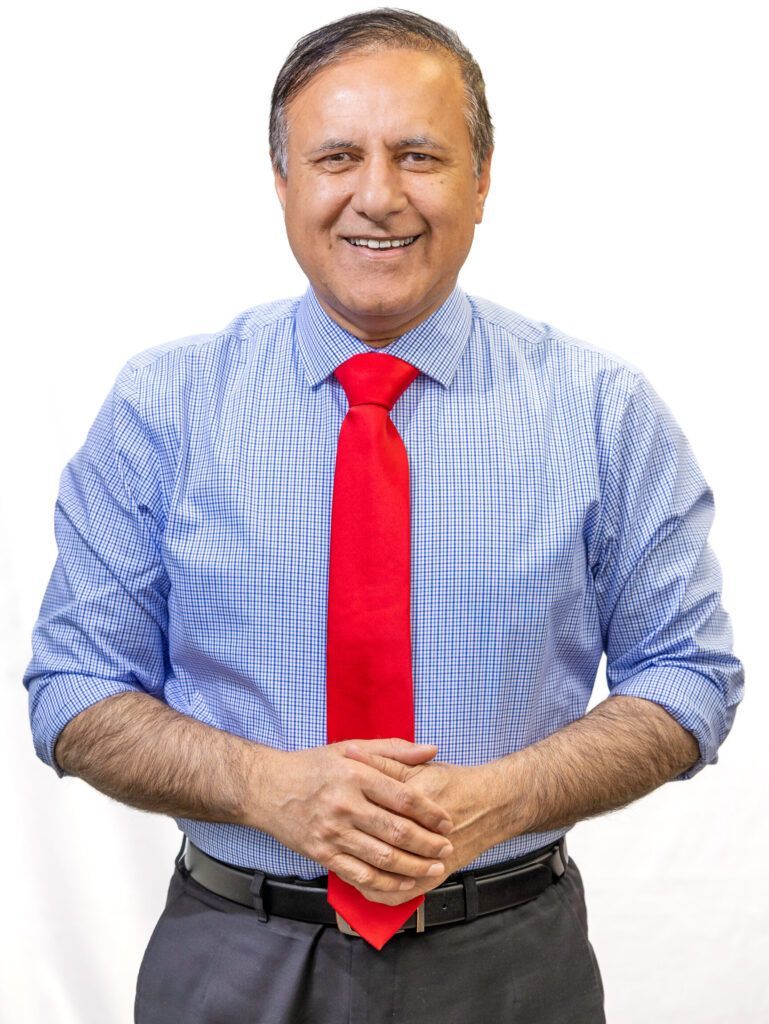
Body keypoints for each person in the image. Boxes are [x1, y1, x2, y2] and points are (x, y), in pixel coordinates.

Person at [23, 8, 744, 1023]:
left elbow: (688, 675)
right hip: (233, 959)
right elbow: (74, 689)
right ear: (283, 183)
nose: (377, 195)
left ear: (481, 181)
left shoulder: (600, 411)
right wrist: (265, 788)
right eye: (336, 157)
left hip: (511, 965)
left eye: (418, 155)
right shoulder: (164, 407)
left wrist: (501, 797)